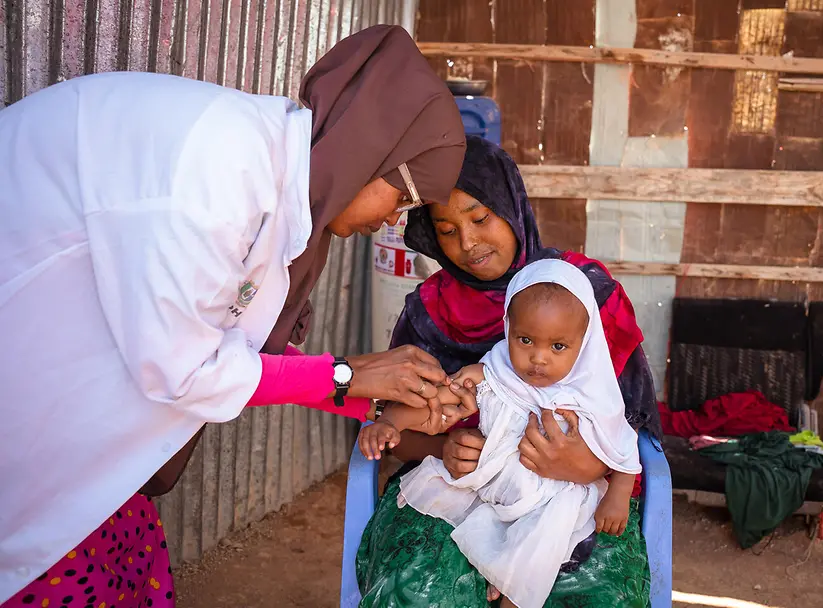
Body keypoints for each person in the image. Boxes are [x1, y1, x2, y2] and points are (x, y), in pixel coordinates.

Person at [0, 25, 471, 606]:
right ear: (368, 155)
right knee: (58, 551)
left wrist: (369, 394)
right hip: (32, 355)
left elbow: (233, 347)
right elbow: (187, 369)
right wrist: (348, 375)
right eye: (400, 198)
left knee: (117, 540)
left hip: (75, 384)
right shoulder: (219, 177)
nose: (394, 221)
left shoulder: (276, 175)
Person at [354, 135, 662, 607]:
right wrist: (443, 445)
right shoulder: (429, 311)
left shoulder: (585, 294)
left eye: (480, 218)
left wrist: (584, 466)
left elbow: (632, 424)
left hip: (576, 495)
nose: (468, 242)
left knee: (593, 597)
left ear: (511, 206)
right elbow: (399, 426)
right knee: (420, 592)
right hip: (455, 485)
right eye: (446, 229)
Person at [361, 259, 642, 608]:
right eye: (525, 340)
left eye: (558, 347)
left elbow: (625, 448)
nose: (538, 358)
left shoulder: (591, 394)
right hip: (489, 485)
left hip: (551, 499)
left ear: (582, 343)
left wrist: (618, 495)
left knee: (534, 554)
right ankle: (491, 567)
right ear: (508, 327)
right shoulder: (493, 373)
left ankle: (508, 591)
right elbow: (441, 398)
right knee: (455, 529)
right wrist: (392, 422)